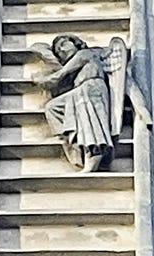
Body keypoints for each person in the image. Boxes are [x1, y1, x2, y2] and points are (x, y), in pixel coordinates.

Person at [42, 34, 126, 171]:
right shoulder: (77, 67)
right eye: (58, 50)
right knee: (52, 107)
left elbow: (59, 76)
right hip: (80, 91)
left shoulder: (85, 54)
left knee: (91, 122)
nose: (62, 49)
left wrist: (40, 80)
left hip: (91, 88)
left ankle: (95, 152)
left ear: (77, 43)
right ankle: (74, 143)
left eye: (64, 44)